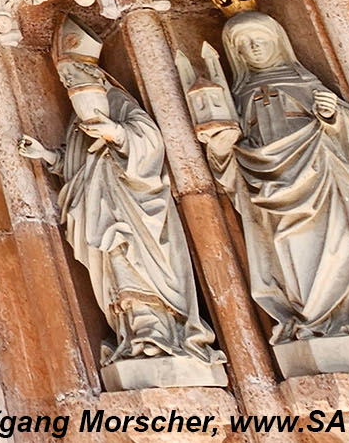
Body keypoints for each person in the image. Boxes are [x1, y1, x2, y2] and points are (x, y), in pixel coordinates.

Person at [202, 10, 349, 342]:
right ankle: (316, 319)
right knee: (295, 260)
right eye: (245, 45)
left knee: (344, 244)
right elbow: (231, 164)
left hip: (323, 182)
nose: (254, 48)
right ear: (236, 53)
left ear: (277, 42)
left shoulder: (306, 83)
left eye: (260, 40)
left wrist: (332, 117)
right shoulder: (236, 98)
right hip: (269, 188)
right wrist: (221, 148)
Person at [19, 20, 220, 368]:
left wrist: (116, 133)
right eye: (65, 80)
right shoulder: (77, 122)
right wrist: (48, 156)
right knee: (117, 275)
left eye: (74, 75)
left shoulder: (120, 107)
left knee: (138, 266)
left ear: (95, 76)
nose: (69, 84)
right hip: (101, 214)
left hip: (135, 214)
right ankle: (135, 335)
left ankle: (162, 334)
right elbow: (76, 166)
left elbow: (150, 141)